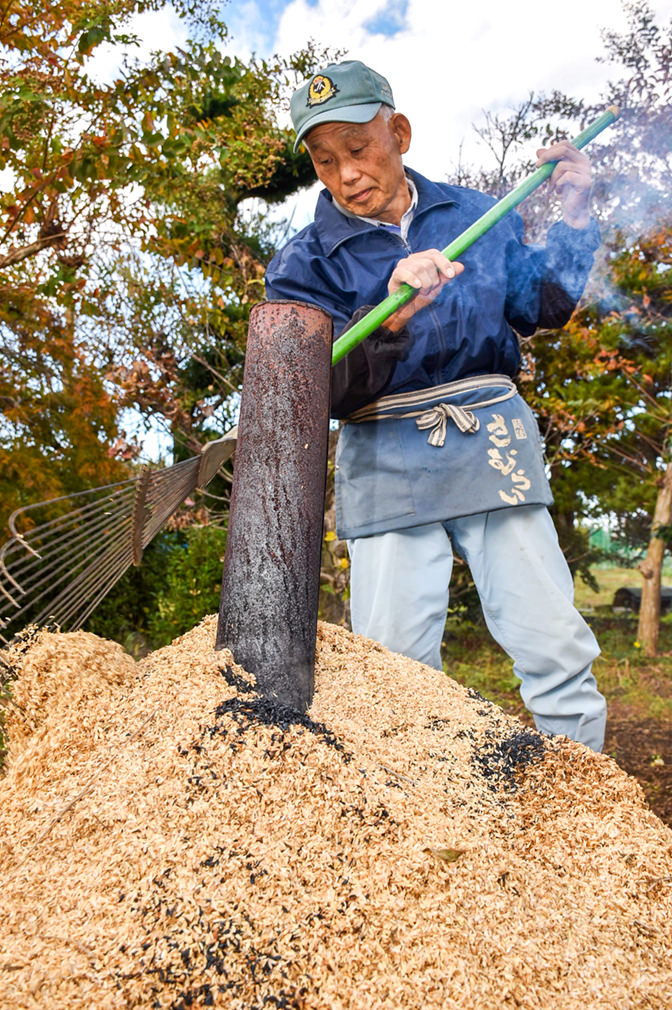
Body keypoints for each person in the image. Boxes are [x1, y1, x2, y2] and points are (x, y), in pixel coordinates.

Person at [265, 60, 607, 752]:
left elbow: (541, 305)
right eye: (324, 162)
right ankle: (424, 825)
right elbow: (310, 392)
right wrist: (386, 315)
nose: (345, 175)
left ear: (399, 132)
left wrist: (574, 220)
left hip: (492, 440)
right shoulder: (303, 264)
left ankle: (589, 801)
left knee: (553, 642)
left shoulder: (477, 214)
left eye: (358, 150)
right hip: (383, 449)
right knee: (393, 666)